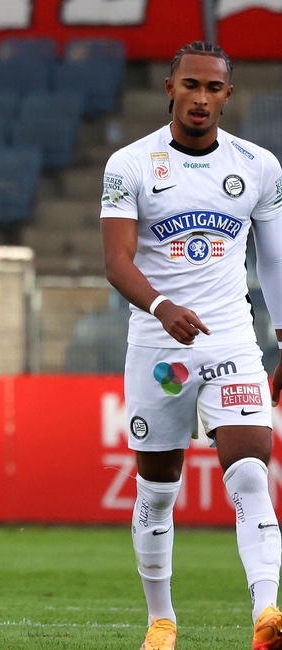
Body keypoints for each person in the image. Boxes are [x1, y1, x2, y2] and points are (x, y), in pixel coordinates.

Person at [101, 42, 282, 650]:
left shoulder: (259, 166)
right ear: (170, 88)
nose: (200, 98)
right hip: (160, 344)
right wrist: (160, 306)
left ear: (228, 96)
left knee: (253, 471)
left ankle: (267, 615)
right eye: (190, 86)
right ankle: (162, 620)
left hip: (231, 335)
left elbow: (275, 262)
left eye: (212, 88)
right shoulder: (129, 165)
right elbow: (116, 261)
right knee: (158, 488)